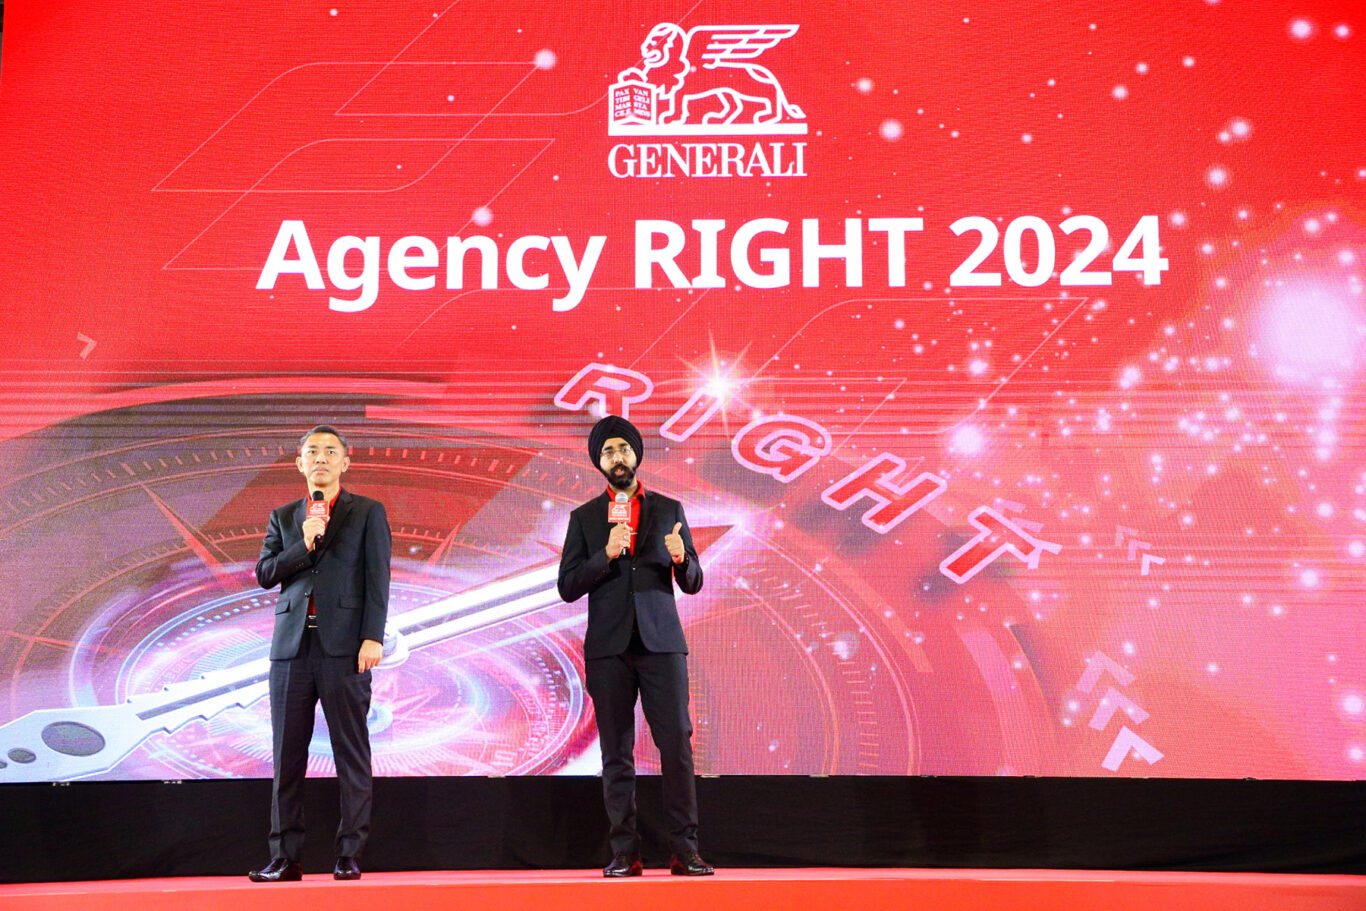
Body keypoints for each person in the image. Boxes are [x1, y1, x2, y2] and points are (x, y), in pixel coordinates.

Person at [557, 415, 714, 877]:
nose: (617, 457)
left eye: (623, 448)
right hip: (608, 649)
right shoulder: (584, 519)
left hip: (661, 645)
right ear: (599, 462)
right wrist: (604, 554)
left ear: (636, 455)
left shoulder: (669, 510)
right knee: (616, 751)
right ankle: (625, 852)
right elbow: (567, 586)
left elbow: (694, 582)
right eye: (608, 451)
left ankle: (685, 849)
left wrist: (682, 559)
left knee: (676, 745)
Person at [248, 425, 390, 882]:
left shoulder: (366, 512)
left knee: (351, 752)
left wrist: (372, 637)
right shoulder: (285, 517)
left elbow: (377, 578)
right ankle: (285, 857)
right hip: (291, 649)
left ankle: (349, 853)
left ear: (346, 462)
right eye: (312, 452)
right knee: (286, 756)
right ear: (299, 464)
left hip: (345, 648)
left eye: (330, 451)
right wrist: (302, 544)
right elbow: (265, 573)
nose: (321, 458)